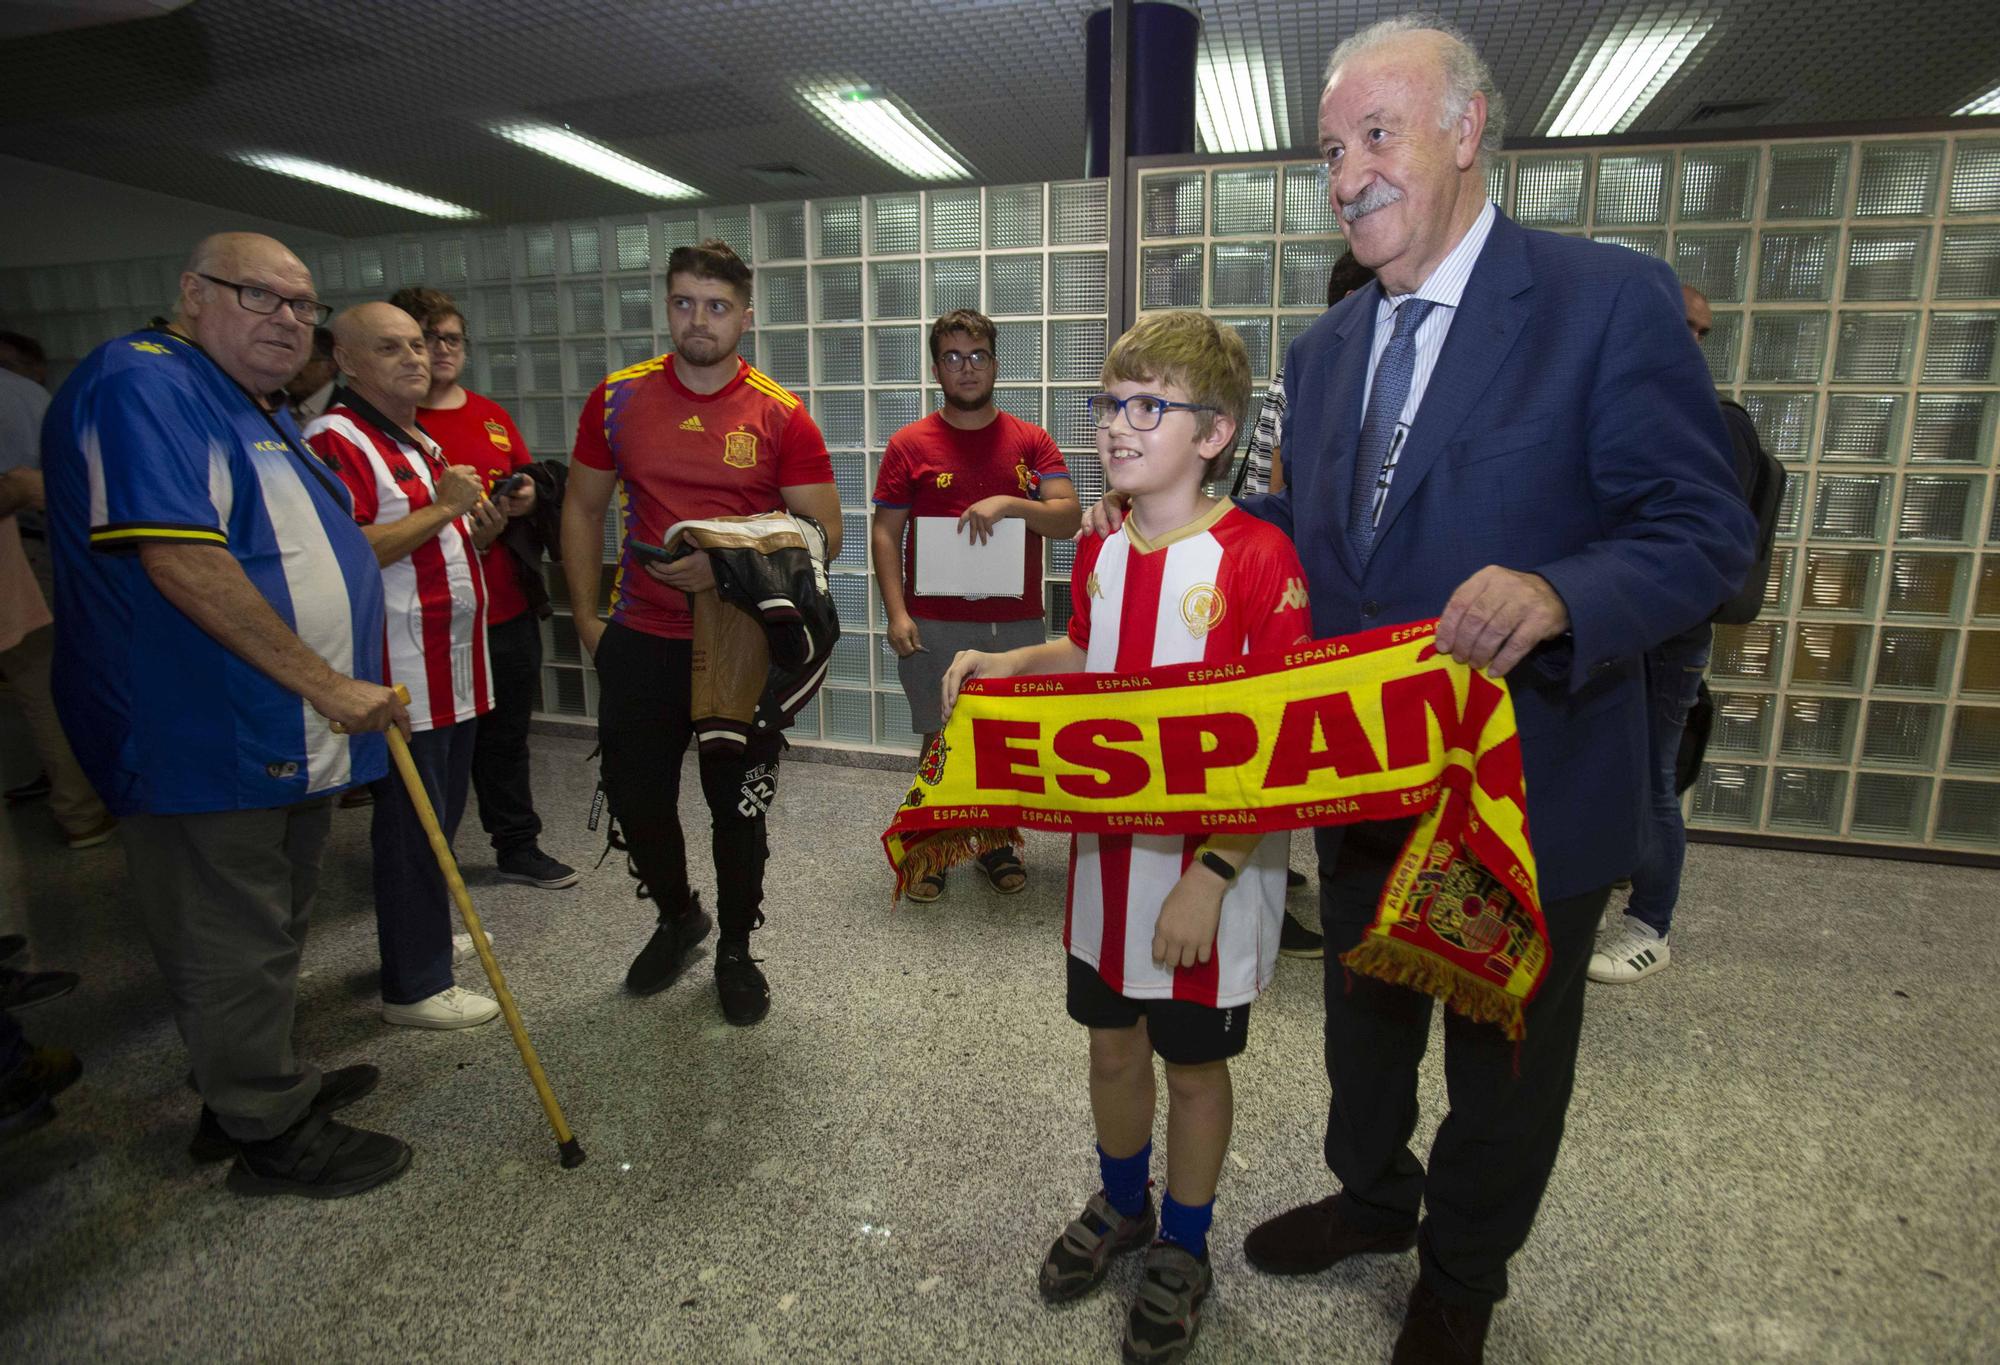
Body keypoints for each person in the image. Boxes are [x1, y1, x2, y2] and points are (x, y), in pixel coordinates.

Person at [1085, 18, 1754, 1361]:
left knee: (1502, 1059)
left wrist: (1560, 590)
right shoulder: (1328, 350)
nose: (1347, 175)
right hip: (1363, 772)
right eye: (1331, 151)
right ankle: (1374, 1198)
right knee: (1364, 1024)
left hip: (1526, 780)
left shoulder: (1600, 302)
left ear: (1465, 132)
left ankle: (1460, 1275)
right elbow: (1324, 546)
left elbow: (1705, 533)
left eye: (1375, 137)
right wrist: (1179, 520)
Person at [944, 311, 1313, 1365]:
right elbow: (1088, 650)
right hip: (1107, 866)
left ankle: (1186, 1243)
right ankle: (1123, 1203)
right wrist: (1014, 663)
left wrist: (1212, 873)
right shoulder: (1103, 544)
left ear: (1214, 433)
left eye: (1148, 406)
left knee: (1193, 1067)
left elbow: (1287, 740)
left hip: (1208, 875)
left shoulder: (1257, 557)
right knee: (1111, 1045)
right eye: (1108, 403)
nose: (1115, 425)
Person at [43, 231, 411, 1198]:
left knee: (271, 919)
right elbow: (181, 560)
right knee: (228, 931)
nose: (288, 320)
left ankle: (249, 1077)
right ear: (193, 292)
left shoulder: (247, 400)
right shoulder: (143, 379)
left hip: (280, 724)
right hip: (202, 726)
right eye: (260, 296)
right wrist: (328, 684)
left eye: (302, 306)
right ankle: (266, 1126)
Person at [559, 239, 840, 1026]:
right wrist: (586, 618)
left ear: (744, 317)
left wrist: (724, 569)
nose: (698, 320)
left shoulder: (780, 413)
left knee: (736, 807)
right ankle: (680, 916)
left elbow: (824, 533)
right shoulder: (617, 398)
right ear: (668, 306)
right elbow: (581, 506)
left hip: (738, 639)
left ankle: (736, 950)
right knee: (637, 796)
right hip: (641, 633)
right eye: (684, 302)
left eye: (716, 306)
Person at [306, 302, 509, 1031]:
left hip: (453, 664)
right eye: (390, 348)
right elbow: (346, 549)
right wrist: (445, 509)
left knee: (440, 820)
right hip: (401, 670)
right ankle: (415, 984)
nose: (415, 359)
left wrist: (477, 529)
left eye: (418, 345)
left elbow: (433, 539)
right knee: (411, 828)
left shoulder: (415, 436)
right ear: (345, 360)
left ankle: (421, 937)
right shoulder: (334, 438)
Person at [869, 308, 1078, 901]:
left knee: (1003, 739)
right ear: (937, 369)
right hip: (932, 621)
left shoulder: (1030, 440)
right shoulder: (909, 444)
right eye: (953, 357)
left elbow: (1067, 517)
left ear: (995, 363)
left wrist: (1010, 504)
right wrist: (896, 614)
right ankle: (929, 847)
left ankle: (993, 843)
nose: (967, 367)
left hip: (1014, 621)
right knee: (938, 737)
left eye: (978, 355)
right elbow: (885, 533)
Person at [1588, 283, 1760, 986]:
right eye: (1680, 325)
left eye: (1701, 331)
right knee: (1607, 772)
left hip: (1666, 635)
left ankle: (1649, 926)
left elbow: (1707, 547)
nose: (1691, 342)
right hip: (1610, 628)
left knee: (1653, 776)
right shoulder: (1627, 410)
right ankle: (1601, 896)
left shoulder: (1715, 424)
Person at [388, 285, 577, 891]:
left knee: (507, 739)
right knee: (436, 747)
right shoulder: (387, 426)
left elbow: (525, 481)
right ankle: (423, 864)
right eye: (425, 339)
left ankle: (517, 846)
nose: (438, 351)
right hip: (431, 620)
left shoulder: (491, 416)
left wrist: (526, 495)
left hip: (504, 606)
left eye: (451, 339)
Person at [1239, 251, 1376, 959]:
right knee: (1287, 749)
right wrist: (1182, 516)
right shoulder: (1308, 365)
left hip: (1411, 644)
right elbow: (1289, 496)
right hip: (1292, 591)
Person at [0, 362, 115, 846]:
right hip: (32, 549)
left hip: (32, 548)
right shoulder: (24, 394)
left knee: (43, 678)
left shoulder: (18, 393)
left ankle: (79, 806)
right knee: (43, 680)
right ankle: (81, 808)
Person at [285, 326, 338, 423]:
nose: (292, 366)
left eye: (304, 360)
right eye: (288, 357)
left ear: (331, 367)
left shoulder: (345, 414)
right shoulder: (272, 400)